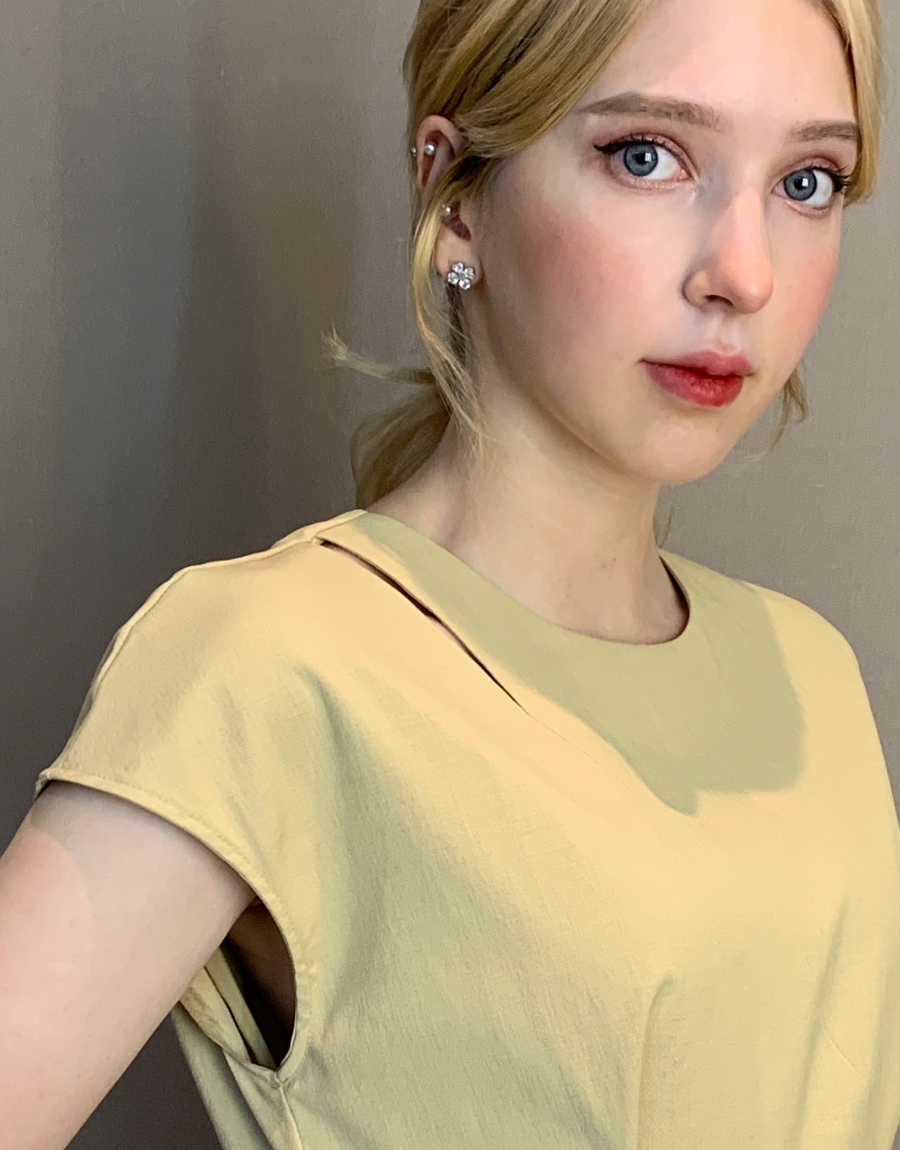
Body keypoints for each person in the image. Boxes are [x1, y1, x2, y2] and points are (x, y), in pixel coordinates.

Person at [2, 0, 898, 1146]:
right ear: (456, 193)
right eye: (647, 156)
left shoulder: (810, 674)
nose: (745, 272)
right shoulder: (274, 666)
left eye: (808, 182)